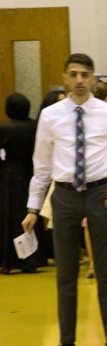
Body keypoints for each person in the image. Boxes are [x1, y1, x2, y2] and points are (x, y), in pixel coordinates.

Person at [23, 54, 107, 346]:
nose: (80, 80)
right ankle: (66, 343)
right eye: (73, 74)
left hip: (101, 193)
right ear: (65, 78)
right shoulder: (50, 115)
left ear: (94, 78)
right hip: (65, 196)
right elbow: (41, 166)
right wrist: (33, 207)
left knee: (106, 273)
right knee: (66, 274)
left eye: (85, 74)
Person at [0, 93, 40, 273]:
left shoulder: (4, 128)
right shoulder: (34, 127)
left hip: (9, 175)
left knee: (10, 217)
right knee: (30, 215)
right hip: (31, 173)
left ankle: (9, 259)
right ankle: (30, 259)